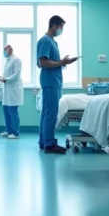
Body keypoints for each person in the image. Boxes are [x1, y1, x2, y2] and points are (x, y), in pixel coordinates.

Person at [37, 15, 76, 154]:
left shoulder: (53, 42)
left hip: (54, 81)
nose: (61, 30)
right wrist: (61, 63)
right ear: (54, 26)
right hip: (50, 82)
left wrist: (64, 62)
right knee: (51, 114)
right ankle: (49, 144)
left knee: (47, 113)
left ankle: (44, 142)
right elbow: (42, 62)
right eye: (61, 27)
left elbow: (51, 61)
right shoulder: (46, 41)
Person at [0, 44, 23, 139]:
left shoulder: (16, 60)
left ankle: (15, 132)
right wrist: (2, 78)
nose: (4, 52)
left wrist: (6, 79)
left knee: (13, 111)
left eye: (5, 50)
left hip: (13, 89)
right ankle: (8, 130)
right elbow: (7, 73)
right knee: (6, 111)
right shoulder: (7, 60)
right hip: (6, 89)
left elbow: (16, 74)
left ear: (10, 50)